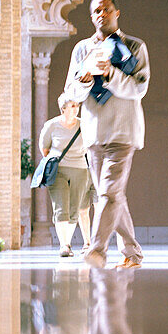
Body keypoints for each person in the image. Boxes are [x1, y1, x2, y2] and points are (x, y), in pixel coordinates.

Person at [64, 0, 150, 269]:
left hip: (123, 132)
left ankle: (97, 250)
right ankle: (133, 254)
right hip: (94, 133)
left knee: (109, 194)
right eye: (96, 11)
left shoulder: (135, 46)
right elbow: (71, 93)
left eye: (107, 10)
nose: (102, 15)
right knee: (112, 196)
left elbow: (139, 87)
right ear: (92, 17)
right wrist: (84, 79)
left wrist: (111, 73)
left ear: (117, 13)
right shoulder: (81, 50)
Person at [38, 92, 96, 257]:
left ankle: (67, 243)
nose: (75, 109)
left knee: (74, 209)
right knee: (60, 208)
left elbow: (91, 144)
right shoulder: (52, 125)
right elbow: (44, 148)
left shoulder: (83, 124)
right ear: (63, 109)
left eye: (77, 105)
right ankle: (64, 245)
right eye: (72, 106)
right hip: (59, 170)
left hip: (80, 170)